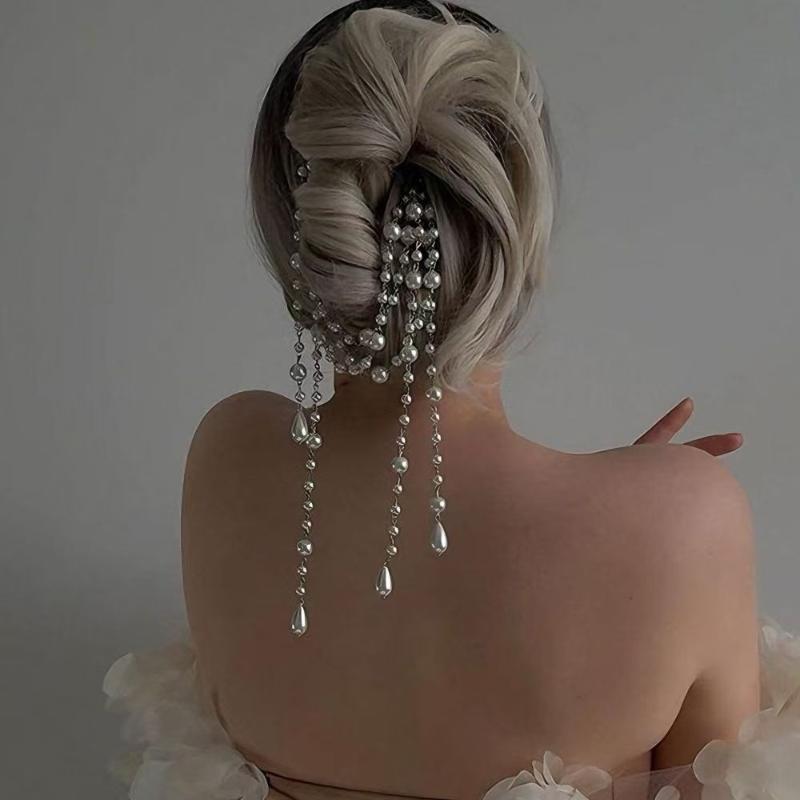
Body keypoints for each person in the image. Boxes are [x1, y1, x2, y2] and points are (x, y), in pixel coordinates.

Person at [102, 3, 800, 799]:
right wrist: (649, 525)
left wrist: (633, 511)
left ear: (296, 232)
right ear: (523, 224)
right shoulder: (685, 522)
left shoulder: (231, 453)